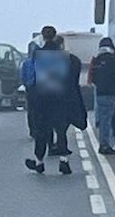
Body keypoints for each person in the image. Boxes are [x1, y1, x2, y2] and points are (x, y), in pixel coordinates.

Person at [24, 29, 87, 175]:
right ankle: (64, 160)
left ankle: (39, 162)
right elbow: (72, 82)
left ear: (43, 37)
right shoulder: (69, 59)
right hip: (62, 100)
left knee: (41, 131)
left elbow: (31, 80)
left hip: (43, 99)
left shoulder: (36, 57)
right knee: (61, 130)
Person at [91, 37, 115, 155]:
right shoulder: (113, 59)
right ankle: (105, 145)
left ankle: (104, 143)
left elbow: (93, 78)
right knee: (108, 120)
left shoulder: (97, 60)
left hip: (100, 93)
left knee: (103, 120)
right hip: (111, 93)